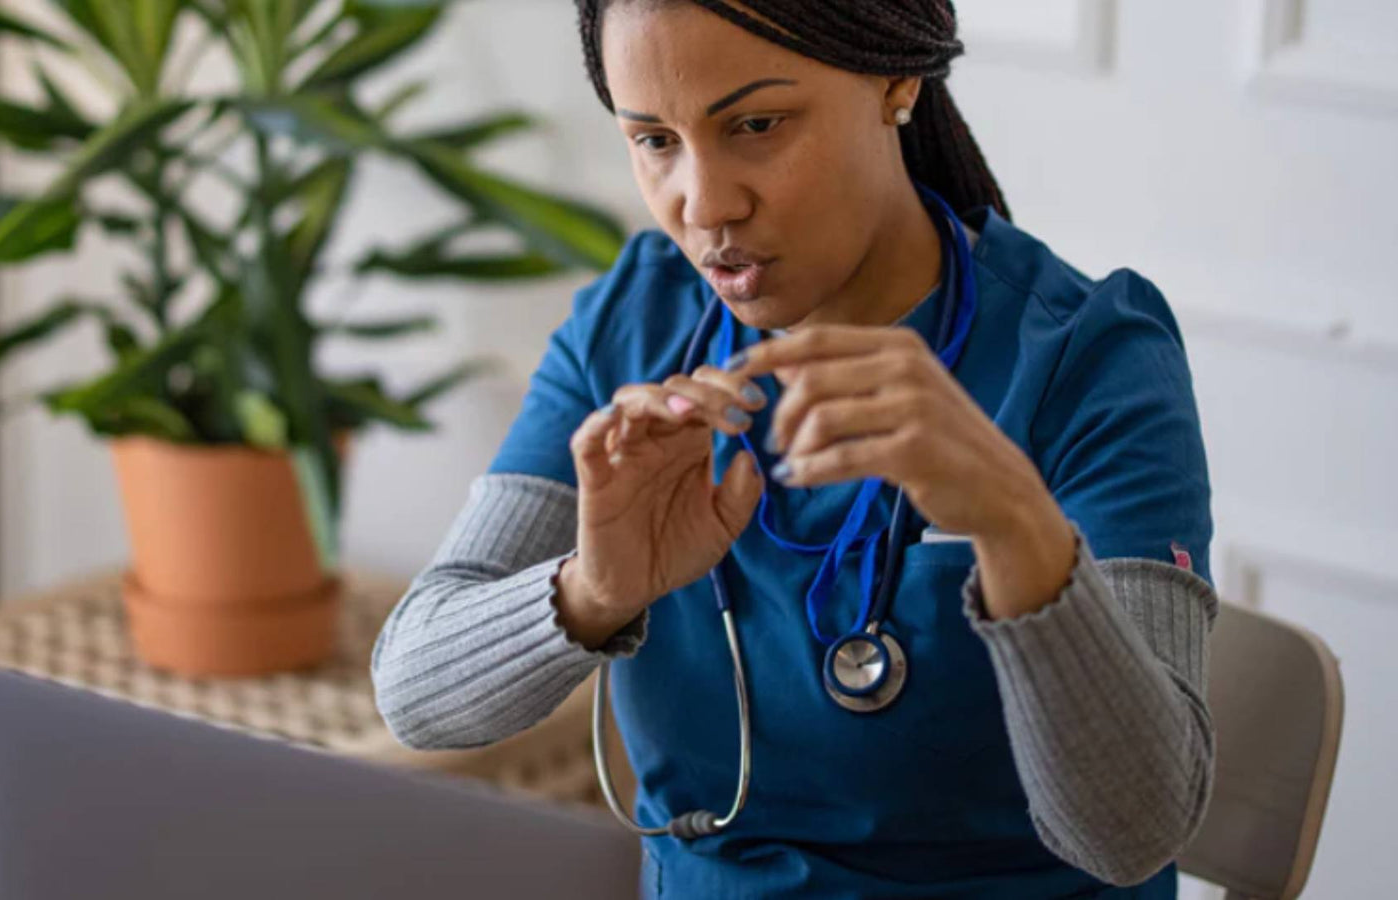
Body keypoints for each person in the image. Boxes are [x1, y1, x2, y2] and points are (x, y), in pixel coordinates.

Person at [372, 1, 1218, 896]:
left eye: (757, 125)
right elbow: (414, 694)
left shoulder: (1089, 357)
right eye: (655, 140)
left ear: (897, 80)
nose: (704, 205)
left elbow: (1132, 836)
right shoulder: (634, 325)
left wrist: (1017, 530)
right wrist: (595, 588)